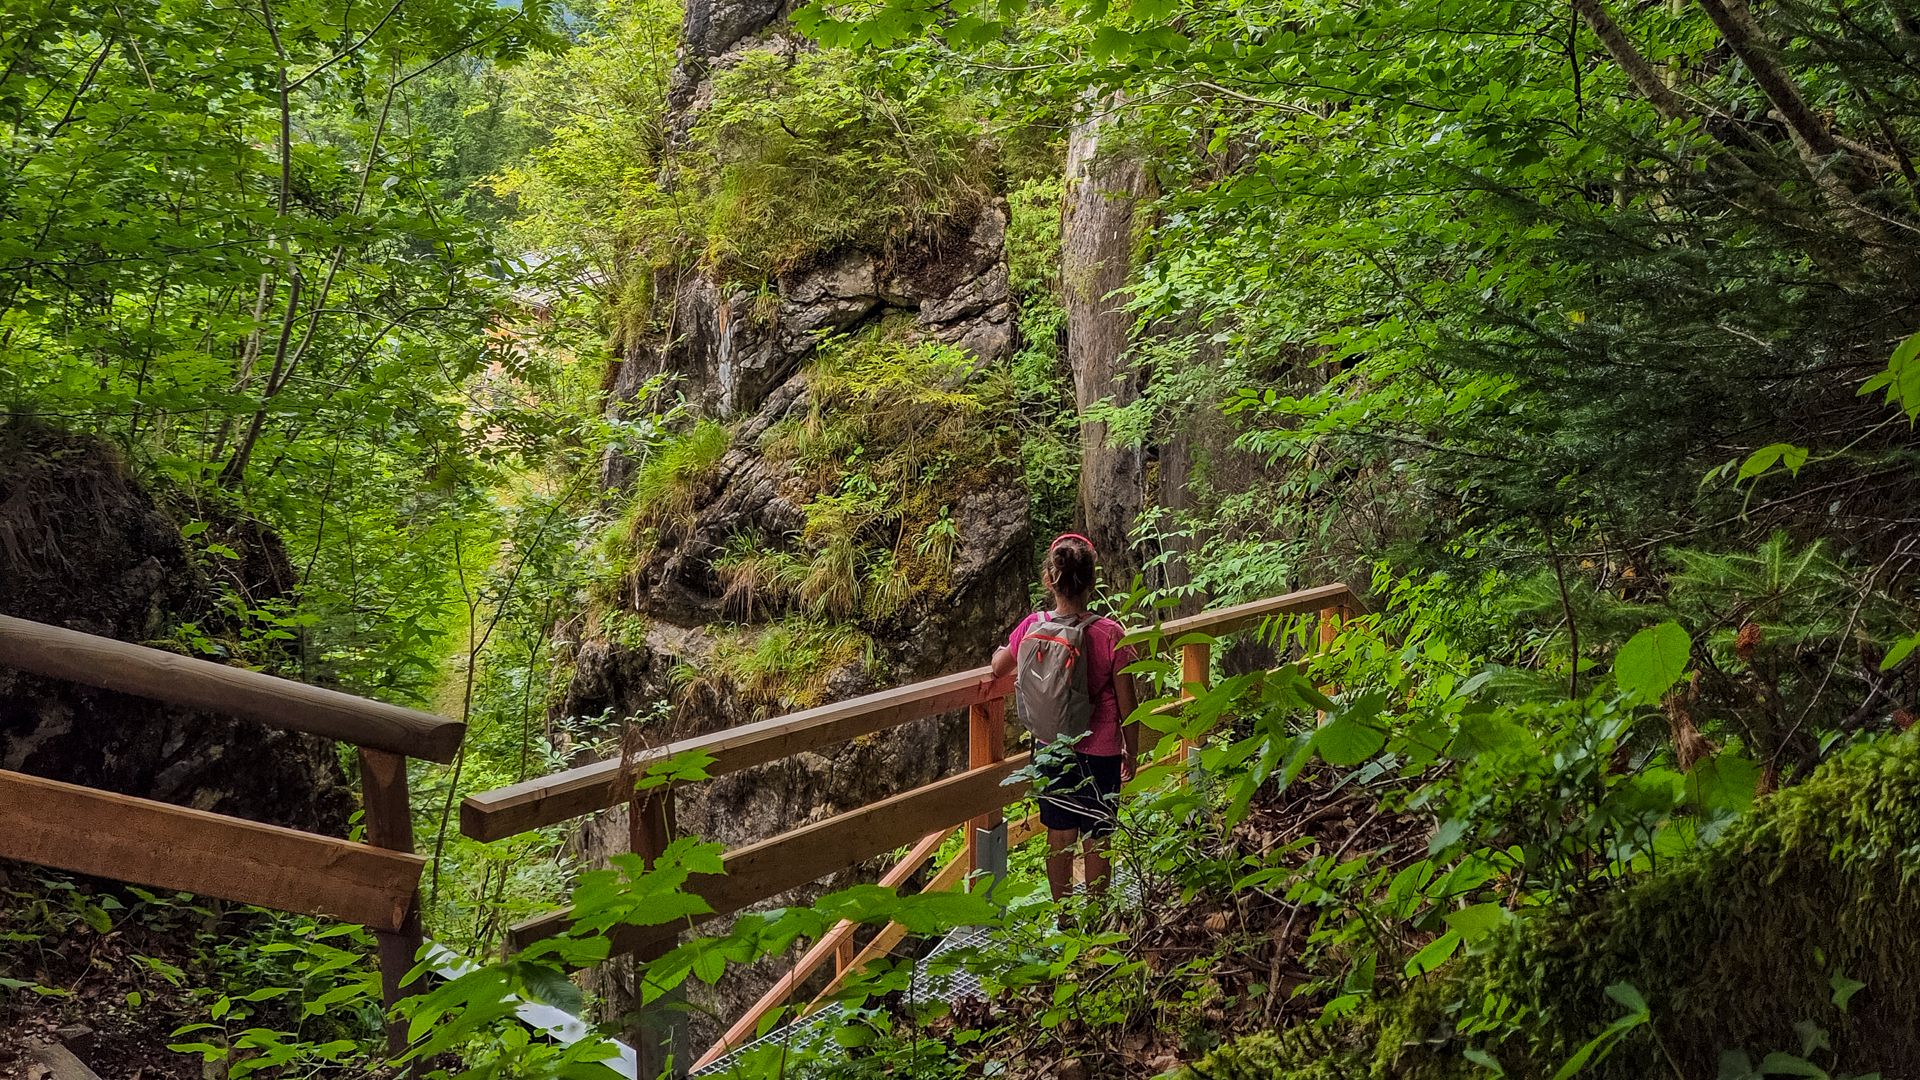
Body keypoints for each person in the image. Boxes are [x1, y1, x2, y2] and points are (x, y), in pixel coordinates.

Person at [989, 533, 1138, 902]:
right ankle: (1097, 916)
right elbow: (1128, 706)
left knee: (1059, 835)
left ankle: (1065, 916)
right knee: (1098, 836)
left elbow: (998, 668)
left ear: (1049, 580)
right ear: (1091, 581)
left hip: (1050, 746)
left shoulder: (1032, 625)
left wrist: (1000, 649)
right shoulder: (1109, 634)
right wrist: (1130, 752)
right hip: (1100, 751)